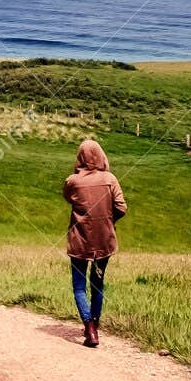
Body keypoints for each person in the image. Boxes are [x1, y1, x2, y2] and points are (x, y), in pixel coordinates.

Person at [64, 138, 126, 348]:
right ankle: (95, 323)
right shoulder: (110, 179)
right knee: (97, 284)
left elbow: (69, 198)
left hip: (79, 240)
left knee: (79, 286)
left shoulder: (72, 181)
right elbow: (121, 207)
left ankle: (89, 327)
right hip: (104, 241)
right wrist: (108, 221)